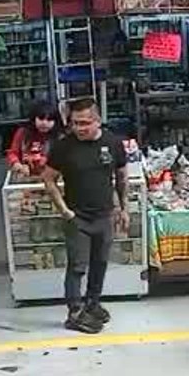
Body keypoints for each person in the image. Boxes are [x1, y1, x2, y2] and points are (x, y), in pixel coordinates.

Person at [43, 98, 129, 334]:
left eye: (85, 123)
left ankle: (93, 302)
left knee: (100, 263)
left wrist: (124, 208)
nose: (80, 128)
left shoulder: (112, 142)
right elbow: (48, 178)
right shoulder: (64, 146)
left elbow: (122, 177)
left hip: (104, 215)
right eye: (75, 123)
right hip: (77, 217)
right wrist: (64, 210)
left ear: (98, 120)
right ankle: (74, 312)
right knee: (77, 266)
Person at [6, 101, 63, 178]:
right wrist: (16, 163)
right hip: (25, 177)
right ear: (34, 118)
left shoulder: (60, 136)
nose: (44, 123)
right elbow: (12, 153)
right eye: (41, 119)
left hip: (52, 179)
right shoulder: (22, 132)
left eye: (49, 120)